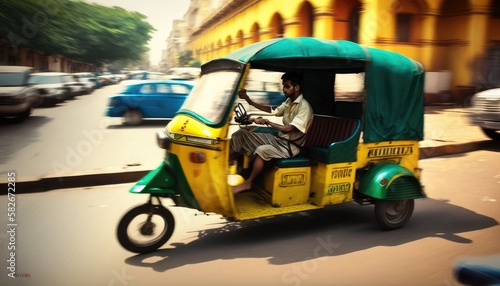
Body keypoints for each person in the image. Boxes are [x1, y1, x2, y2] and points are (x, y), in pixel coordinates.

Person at [230, 71, 313, 194]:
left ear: (297, 87)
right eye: (283, 86)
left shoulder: (304, 107)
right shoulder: (289, 102)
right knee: (240, 134)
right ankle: (226, 168)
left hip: (290, 147)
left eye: (287, 86)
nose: (284, 89)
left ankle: (248, 184)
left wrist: (268, 122)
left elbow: (289, 128)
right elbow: (273, 111)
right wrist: (249, 100)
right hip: (279, 140)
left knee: (262, 150)